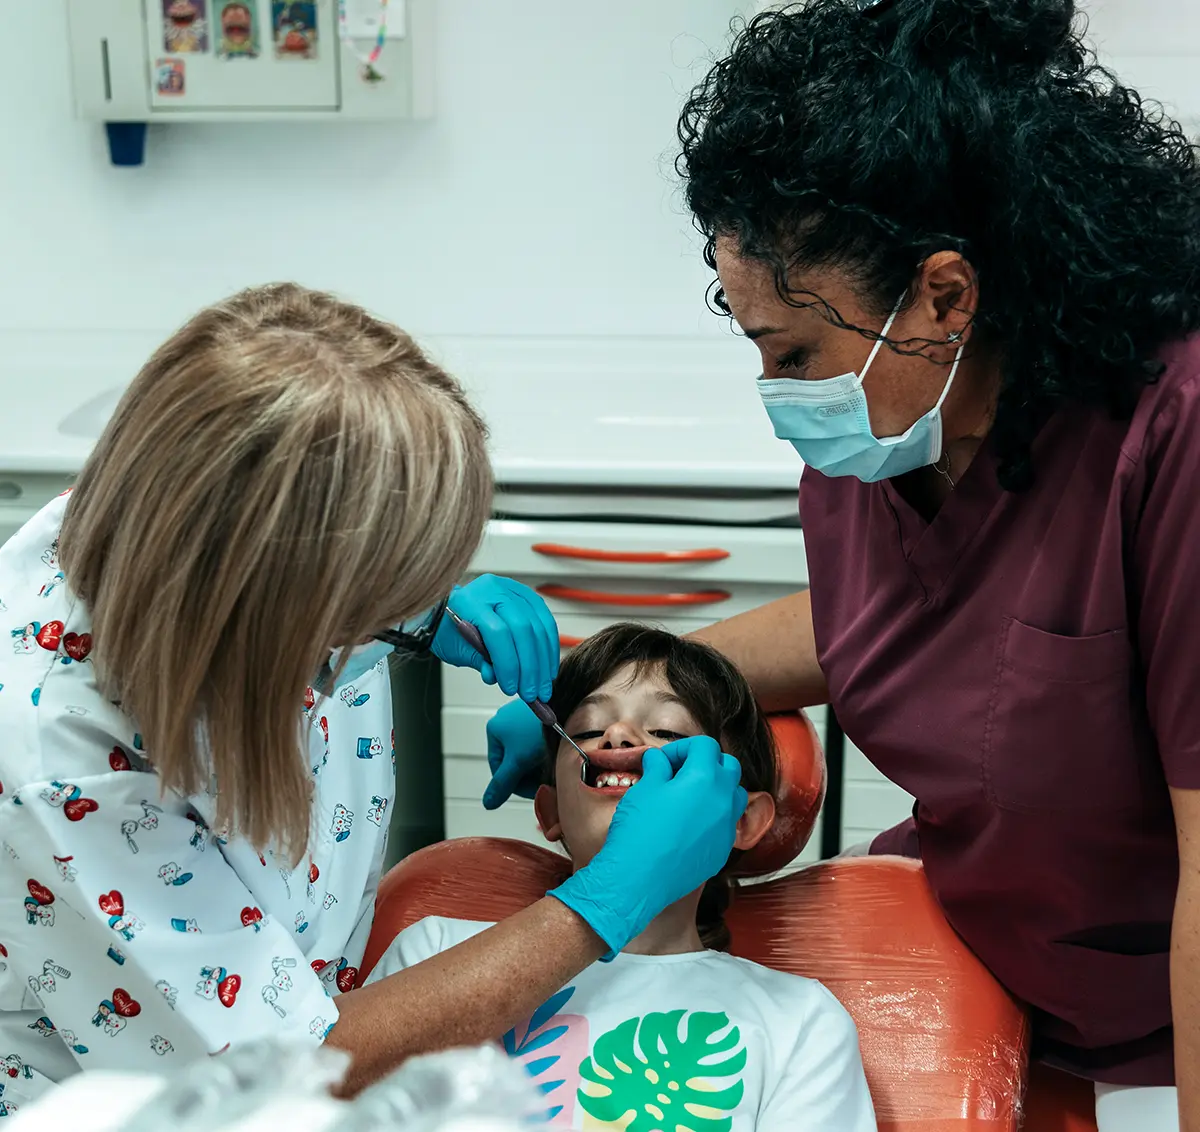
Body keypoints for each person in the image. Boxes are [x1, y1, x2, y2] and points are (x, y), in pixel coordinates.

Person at [483, 2, 1200, 1129]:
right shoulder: (892, 424)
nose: (780, 394)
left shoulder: (1171, 435)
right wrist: (585, 682)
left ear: (946, 297)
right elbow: (899, 620)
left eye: (796, 353)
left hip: (1160, 1011)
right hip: (970, 957)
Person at [0, 284, 748, 1111]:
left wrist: (428, 610)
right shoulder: (69, 756)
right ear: (287, 604)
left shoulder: (193, 514)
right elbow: (303, 1065)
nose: (617, 746)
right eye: (384, 601)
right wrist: (608, 900)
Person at [372, 624, 876, 1131]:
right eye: (589, 729)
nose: (617, 735)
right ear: (550, 812)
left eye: (666, 733)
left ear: (740, 820)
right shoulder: (434, 951)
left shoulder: (800, 1022)